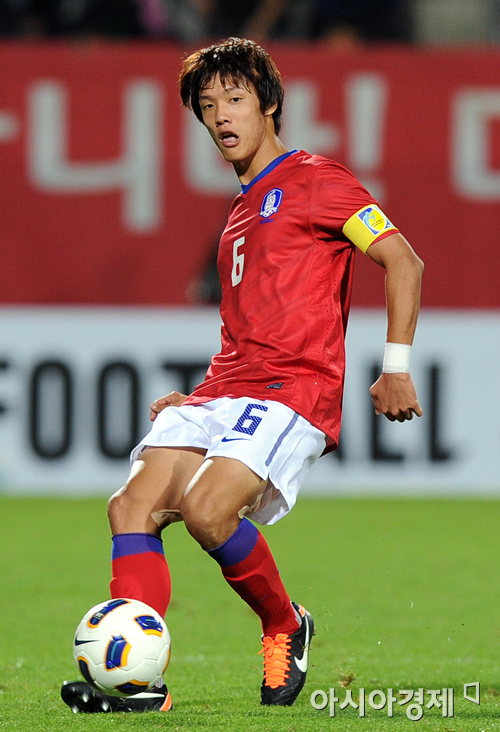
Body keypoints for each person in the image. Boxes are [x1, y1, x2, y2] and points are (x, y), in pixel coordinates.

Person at [61, 36, 424, 714]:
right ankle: (139, 683)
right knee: (130, 507)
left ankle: (285, 623)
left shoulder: (318, 180)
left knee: (207, 511)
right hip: (228, 389)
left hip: (294, 390)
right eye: (208, 106)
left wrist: (395, 367)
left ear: (270, 104)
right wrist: (202, 397)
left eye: (235, 98)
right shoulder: (239, 212)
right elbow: (249, 329)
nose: (222, 115)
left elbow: (404, 260)